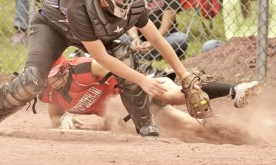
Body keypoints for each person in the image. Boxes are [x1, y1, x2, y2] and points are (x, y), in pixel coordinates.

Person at [0, 0, 205, 140]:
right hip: (52, 29)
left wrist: (183, 74)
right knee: (34, 80)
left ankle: (145, 125)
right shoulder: (78, 6)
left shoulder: (132, 4)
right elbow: (101, 57)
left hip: (90, 34)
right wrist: (142, 79)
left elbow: (157, 40)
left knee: (124, 56)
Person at [41, 55, 260, 132]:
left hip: (134, 85)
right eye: (51, 79)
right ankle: (249, 129)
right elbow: (54, 115)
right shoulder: (51, 93)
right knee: (190, 125)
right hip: (129, 111)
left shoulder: (83, 68)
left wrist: (142, 81)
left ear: (66, 68)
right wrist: (63, 118)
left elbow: (114, 63)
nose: (56, 82)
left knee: (173, 94)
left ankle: (234, 89)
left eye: (59, 75)